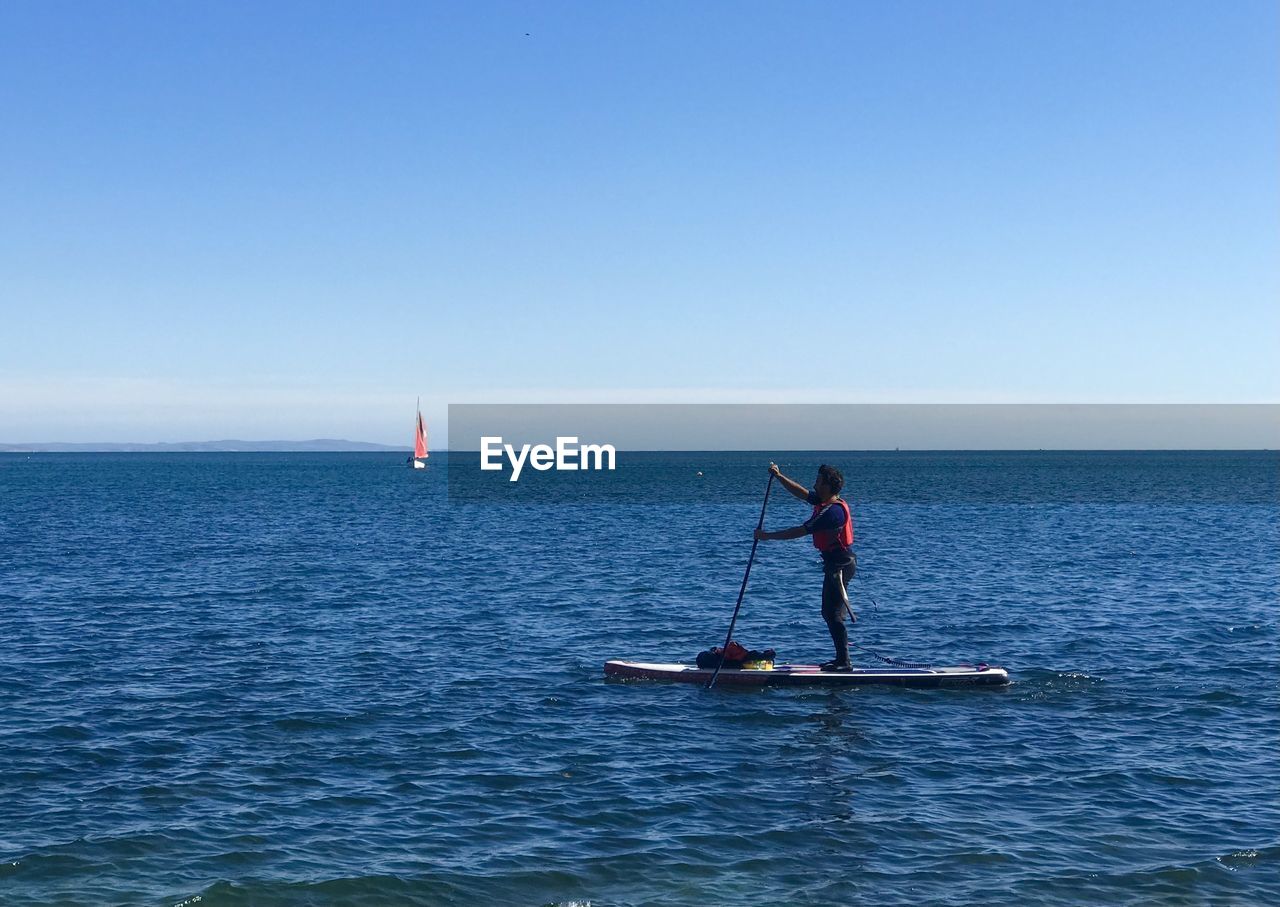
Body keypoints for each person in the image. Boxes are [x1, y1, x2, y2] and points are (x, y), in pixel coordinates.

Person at [754, 462, 856, 672]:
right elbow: (802, 494)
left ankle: (844, 662)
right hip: (834, 563)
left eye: (819, 482)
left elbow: (799, 531)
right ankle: (841, 659)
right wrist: (779, 476)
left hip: (841, 565)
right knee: (828, 613)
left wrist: (767, 536)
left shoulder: (832, 512)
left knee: (832, 613)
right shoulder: (824, 501)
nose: (815, 485)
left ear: (828, 486)